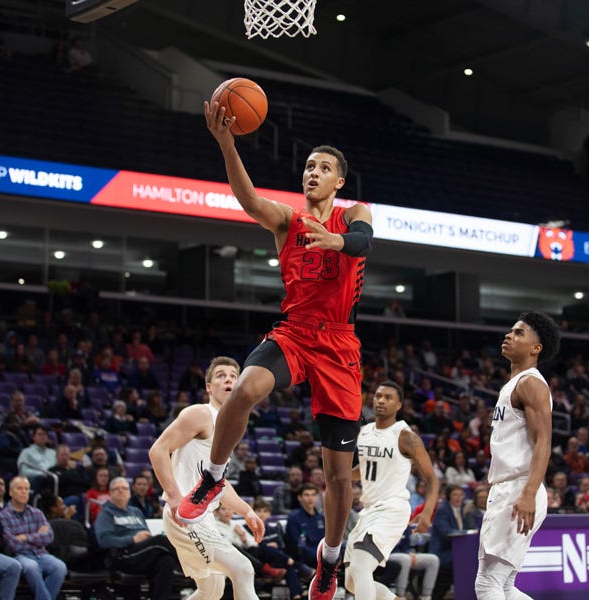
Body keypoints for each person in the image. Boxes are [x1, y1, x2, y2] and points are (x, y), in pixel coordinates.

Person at [177, 102, 373, 600]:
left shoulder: (354, 214)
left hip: (339, 346)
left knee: (338, 476)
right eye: (308, 166)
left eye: (323, 168)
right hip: (295, 332)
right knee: (244, 389)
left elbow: (364, 241)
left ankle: (330, 561)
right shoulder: (288, 221)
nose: (313, 172)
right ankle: (213, 480)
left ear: (339, 183)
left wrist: (339, 241)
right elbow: (248, 200)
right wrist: (227, 144)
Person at [149, 356, 265, 600]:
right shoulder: (201, 414)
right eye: (221, 375)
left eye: (234, 376)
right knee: (243, 570)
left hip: (205, 517)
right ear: (209, 387)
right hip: (186, 516)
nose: (229, 379)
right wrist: (173, 495)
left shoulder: (230, 424)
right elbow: (158, 450)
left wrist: (247, 511)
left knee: (211, 592)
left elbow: (218, 483)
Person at [474, 312, 560, 600]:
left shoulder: (530, 384)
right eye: (510, 330)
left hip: (520, 488)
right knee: (505, 586)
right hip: (513, 487)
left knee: (487, 584)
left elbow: (543, 442)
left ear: (537, 348)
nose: (509, 335)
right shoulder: (514, 384)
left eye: (519, 333)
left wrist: (528, 492)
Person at [344, 380, 439, 600]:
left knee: (360, 567)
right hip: (369, 511)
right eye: (378, 396)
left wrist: (426, 513)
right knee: (351, 581)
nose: (381, 401)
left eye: (388, 398)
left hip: (392, 509)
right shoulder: (365, 432)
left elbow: (432, 479)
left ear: (399, 405)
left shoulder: (405, 436)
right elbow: (365, 469)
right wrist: (344, 475)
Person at [93, 477, 179, 600]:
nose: (121, 491)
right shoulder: (106, 513)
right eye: (117, 489)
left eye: (124, 488)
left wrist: (145, 538)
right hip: (121, 556)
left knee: (166, 560)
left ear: (129, 493)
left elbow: (146, 536)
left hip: (140, 553)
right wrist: (133, 539)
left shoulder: (136, 511)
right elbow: (104, 541)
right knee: (161, 541)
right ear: (110, 493)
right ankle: (190, 564)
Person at [0, 476, 67, 600]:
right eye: (20, 488)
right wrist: (37, 537)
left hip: (41, 554)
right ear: (10, 492)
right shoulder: (3, 516)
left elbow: (49, 537)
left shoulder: (37, 513)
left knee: (60, 567)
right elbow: (12, 544)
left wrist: (25, 537)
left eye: (26, 489)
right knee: (31, 567)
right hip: (19, 556)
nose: (24, 492)